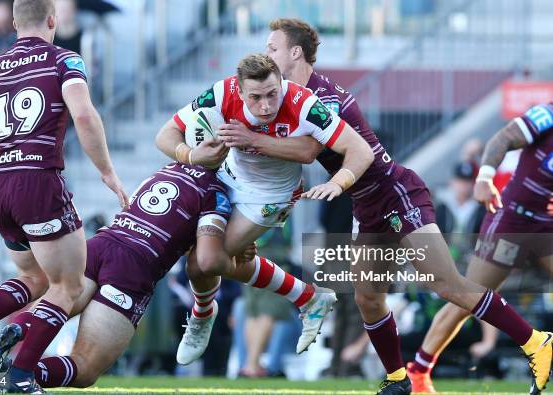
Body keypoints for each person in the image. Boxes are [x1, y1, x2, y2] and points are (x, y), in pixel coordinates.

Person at [222, 18, 552, 395]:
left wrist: (249, 139)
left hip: (395, 192)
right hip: (366, 204)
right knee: (368, 298)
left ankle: (537, 343)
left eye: (273, 47)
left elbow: (308, 150)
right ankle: (399, 380)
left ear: (295, 52)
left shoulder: (321, 97)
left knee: (445, 282)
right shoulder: (289, 97)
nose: (267, 54)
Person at [0, 0, 128, 392]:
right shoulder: (64, 59)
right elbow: (83, 115)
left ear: (13, 22)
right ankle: (20, 376)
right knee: (70, 286)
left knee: (32, 275)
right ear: (53, 20)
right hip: (40, 182)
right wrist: (108, 173)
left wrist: (4, 170)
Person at [155, 53, 375, 365]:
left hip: (270, 197)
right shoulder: (222, 93)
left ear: (281, 84)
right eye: (256, 97)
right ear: (240, 91)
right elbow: (164, 135)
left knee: (206, 261)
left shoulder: (303, 103)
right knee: (198, 263)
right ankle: (299, 298)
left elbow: (360, 150)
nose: (266, 106)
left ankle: (211, 312)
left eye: (273, 94)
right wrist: (191, 156)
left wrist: (338, 183)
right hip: (226, 179)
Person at [0, 162, 235, 390]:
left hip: (100, 244)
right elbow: (205, 258)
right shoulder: (216, 192)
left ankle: (16, 331)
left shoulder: (169, 168)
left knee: (57, 305)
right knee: (85, 366)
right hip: (135, 265)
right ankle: (16, 377)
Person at [407, 102, 553, 393]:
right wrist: (485, 177)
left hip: (546, 223)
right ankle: (419, 372)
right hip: (512, 218)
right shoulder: (548, 114)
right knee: (467, 297)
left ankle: (541, 347)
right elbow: (503, 138)